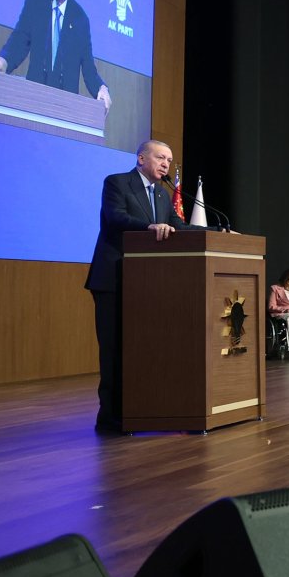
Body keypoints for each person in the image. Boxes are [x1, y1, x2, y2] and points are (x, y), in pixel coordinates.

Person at [84, 139, 197, 431]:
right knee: (113, 348)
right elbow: (115, 218)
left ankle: (139, 409)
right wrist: (149, 227)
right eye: (161, 157)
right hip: (113, 278)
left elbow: (179, 225)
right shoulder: (117, 183)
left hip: (146, 285)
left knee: (141, 348)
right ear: (141, 159)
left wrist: (219, 231)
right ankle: (109, 418)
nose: (165, 164)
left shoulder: (161, 195)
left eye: (169, 161)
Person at [0, 0, 111, 113]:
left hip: (64, 109)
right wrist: (3, 61)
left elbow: (88, 68)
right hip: (31, 101)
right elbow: (20, 39)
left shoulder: (80, 20)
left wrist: (101, 88)